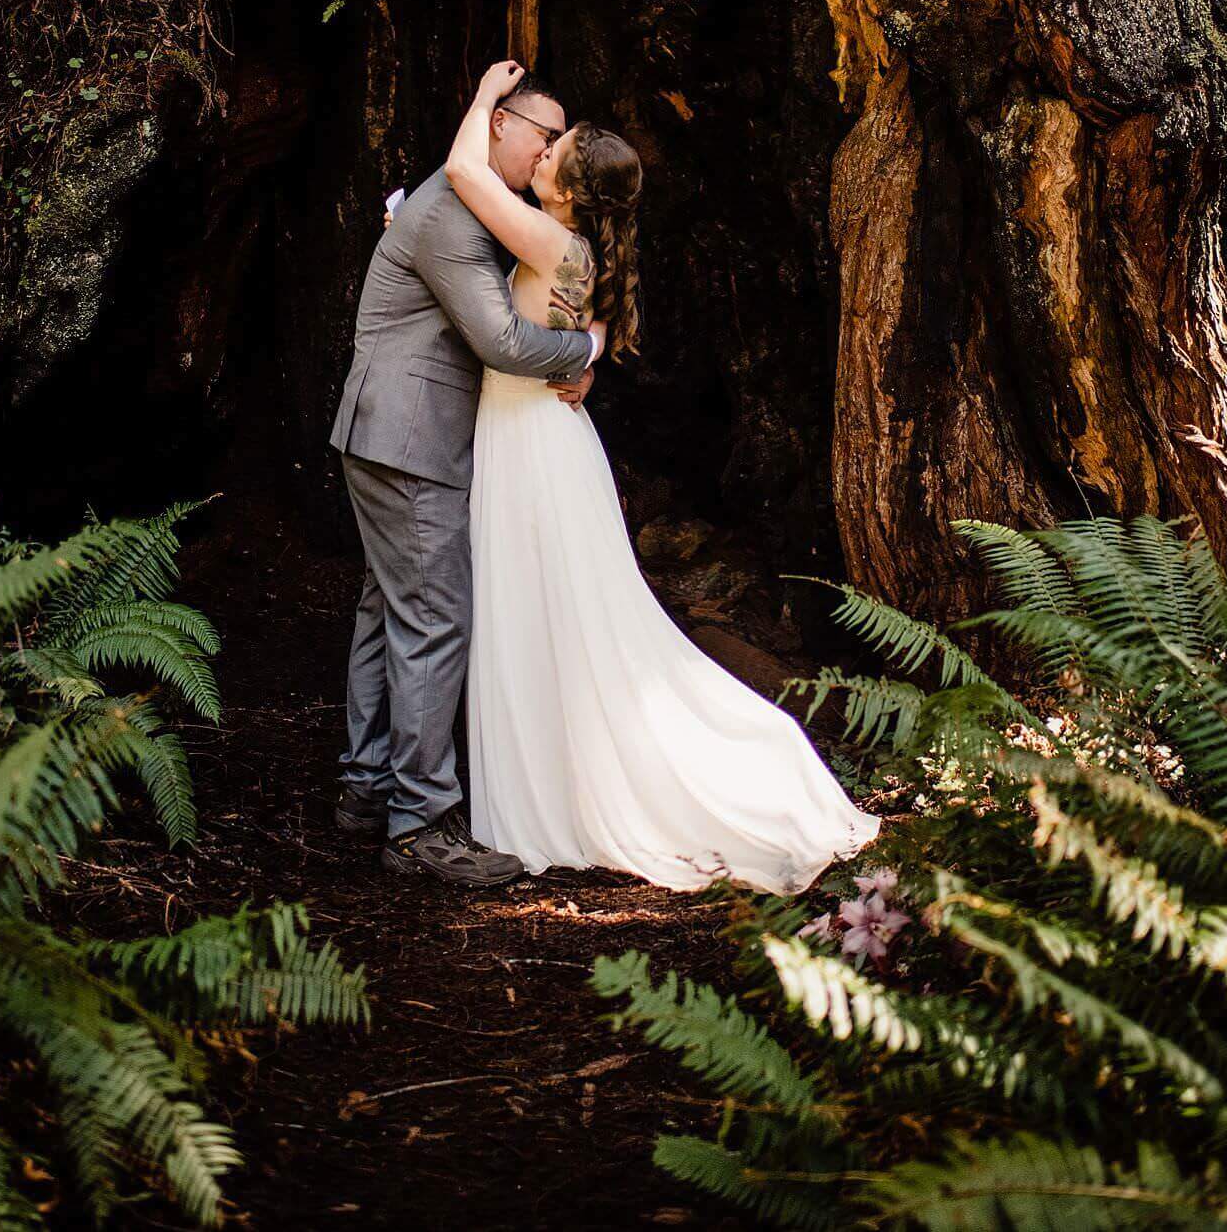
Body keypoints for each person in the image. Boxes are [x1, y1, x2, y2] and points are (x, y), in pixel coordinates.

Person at [446, 59, 882, 895]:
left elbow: (465, 171)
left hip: (534, 448)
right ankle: (553, 776)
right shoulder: (581, 248)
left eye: (552, 156)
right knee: (561, 620)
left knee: (550, 617)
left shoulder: (548, 237)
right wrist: (594, 352)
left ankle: (561, 793)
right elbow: (598, 319)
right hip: (544, 439)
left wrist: (484, 101)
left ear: (570, 195)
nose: (536, 158)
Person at [328, 69, 604, 886]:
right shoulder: (452, 213)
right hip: (413, 440)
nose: (551, 153)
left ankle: (366, 789)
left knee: (388, 611)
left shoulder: (468, 207)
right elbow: (503, 342)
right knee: (436, 617)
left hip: (389, 433)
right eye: (543, 137)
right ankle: (419, 824)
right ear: (500, 126)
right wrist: (586, 351)